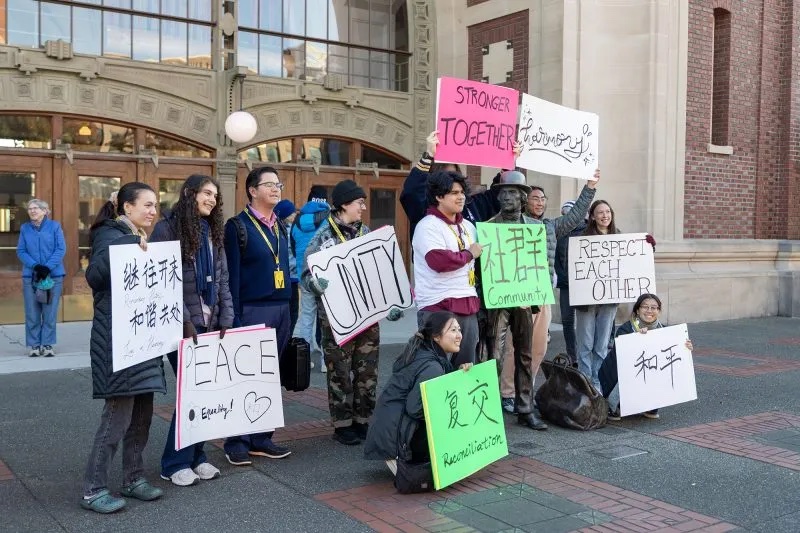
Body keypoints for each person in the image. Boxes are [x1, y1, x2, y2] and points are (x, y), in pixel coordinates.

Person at [81, 182, 165, 514]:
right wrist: (131, 243)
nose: (152, 211)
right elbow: (95, 276)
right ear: (126, 208)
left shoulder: (145, 240)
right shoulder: (109, 234)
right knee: (117, 417)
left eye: (156, 205)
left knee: (142, 416)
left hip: (143, 341)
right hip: (118, 343)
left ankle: (133, 478)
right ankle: (93, 488)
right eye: (146, 205)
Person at [302, 179, 402, 446]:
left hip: (367, 317)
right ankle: (343, 424)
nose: (364, 207)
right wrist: (313, 283)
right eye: (359, 202)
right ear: (345, 204)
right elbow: (305, 274)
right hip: (336, 320)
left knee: (367, 371)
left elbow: (380, 273)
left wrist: (390, 304)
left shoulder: (367, 233)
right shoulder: (324, 236)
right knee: (340, 372)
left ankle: (364, 419)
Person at [150, 175, 233, 487]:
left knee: (206, 391)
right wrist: (185, 321)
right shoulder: (166, 229)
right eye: (206, 193)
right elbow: (165, 282)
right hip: (181, 326)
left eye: (215, 194)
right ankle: (174, 463)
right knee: (190, 394)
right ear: (189, 194)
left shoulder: (212, 230)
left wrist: (228, 315)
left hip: (211, 324)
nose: (211, 199)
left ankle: (197, 456)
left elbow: (222, 278)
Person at [498, 172, 598, 414]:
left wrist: (589, 188)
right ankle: (507, 393)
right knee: (514, 346)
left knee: (539, 347)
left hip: (541, 292)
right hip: (516, 293)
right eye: (534, 198)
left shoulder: (550, 226)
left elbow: (574, 218)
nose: (539, 202)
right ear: (524, 200)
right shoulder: (510, 222)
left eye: (543, 198)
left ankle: (525, 388)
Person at [223, 167, 293, 466]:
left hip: (281, 309)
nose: (276, 189)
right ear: (252, 190)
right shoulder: (237, 226)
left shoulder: (280, 226)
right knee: (246, 377)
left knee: (270, 376)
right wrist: (234, 318)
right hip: (252, 309)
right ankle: (236, 440)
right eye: (269, 184)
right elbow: (232, 276)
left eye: (278, 184)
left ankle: (262, 436)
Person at [364, 311, 472, 475]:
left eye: (459, 329)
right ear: (436, 337)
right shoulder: (432, 366)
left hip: (388, 432)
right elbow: (415, 408)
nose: (459, 335)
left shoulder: (426, 352)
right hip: (395, 439)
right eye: (453, 330)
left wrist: (459, 375)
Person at [484, 171, 547, 430]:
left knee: (524, 354)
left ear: (522, 198)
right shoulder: (489, 227)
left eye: (512, 192)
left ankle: (525, 408)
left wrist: (533, 299)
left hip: (523, 300)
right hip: (498, 302)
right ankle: (489, 411)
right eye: (503, 192)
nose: (506, 197)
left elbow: (538, 266)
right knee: (495, 356)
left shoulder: (535, 228)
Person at [411, 170, 482, 366]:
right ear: (438, 196)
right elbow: (438, 261)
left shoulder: (469, 226)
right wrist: (469, 254)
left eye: (462, 192)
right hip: (438, 305)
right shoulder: (428, 226)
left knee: (465, 367)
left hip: (468, 304)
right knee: (434, 367)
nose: (461, 197)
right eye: (454, 193)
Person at [599, 293, 693, 420]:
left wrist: (685, 348)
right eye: (645, 307)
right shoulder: (625, 329)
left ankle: (650, 405)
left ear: (658, 311)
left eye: (654, 308)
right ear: (637, 310)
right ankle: (613, 404)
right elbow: (622, 356)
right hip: (618, 375)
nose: (649, 311)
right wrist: (637, 338)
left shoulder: (666, 332)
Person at [401, 131, 500, 238]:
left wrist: (508, 164)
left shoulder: (469, 205)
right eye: (445, 177)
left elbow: (499, 196)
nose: (452, 181)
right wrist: (429, 155)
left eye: (454, 175)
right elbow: (411, 193)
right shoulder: (425, 212)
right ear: (438, 196)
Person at [574, 199, 620, 394]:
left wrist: (646, 246)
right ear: (592, 216)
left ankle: (597, 381)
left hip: (609, 300)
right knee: (585, 343)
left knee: (601, 345)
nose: (604, 216)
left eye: (607, 212)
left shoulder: (619, 238)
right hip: (586, 300)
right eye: (600, 212)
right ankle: (585, 382)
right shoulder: (582, 238)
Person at [16, 199, 66, 357]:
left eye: (36, 208)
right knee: (32, 312)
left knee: (49, 312)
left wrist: (47, 267)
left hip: (52, 276)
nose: (32, 211)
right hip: (31, 276)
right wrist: (36, 266)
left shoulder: (54, 227)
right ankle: (34, 345)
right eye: (30, 208)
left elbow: (60, 248)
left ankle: (47, 344)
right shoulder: (25, 228)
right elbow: (21, 251)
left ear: (45, 211)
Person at [291, 186, 330, 373]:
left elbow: (293, 247)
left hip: (304, 275)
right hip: (326, 277)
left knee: (306, 319)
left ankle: (303, 360)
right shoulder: (331, 217)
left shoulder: (298, 220)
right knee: (327, 320)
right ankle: (325, 361)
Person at [554, 200, 587, 366]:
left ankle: (583, 355)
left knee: (584, 321)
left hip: (584, 285)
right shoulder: (560, 233)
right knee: (567, 321)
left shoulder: (590, 231)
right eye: (564, 214)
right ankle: (572, 355)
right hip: (566, 284)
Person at [275, 199, 299, 334]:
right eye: (292, 212)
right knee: (292, 310)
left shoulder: (275, 229)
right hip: (292, 277)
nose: (295, 214)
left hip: (281, 277)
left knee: (285, 308)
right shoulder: (291, 230)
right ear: (285, 215)